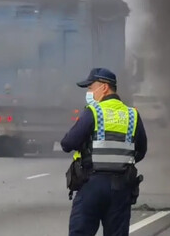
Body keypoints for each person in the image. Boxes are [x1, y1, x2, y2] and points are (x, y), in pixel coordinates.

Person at [61, 68, 147, 236]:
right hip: (121, 187)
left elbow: (67, 143)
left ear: (105, 87)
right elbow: (141, 151)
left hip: (92, 184)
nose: (89, 93)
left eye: (91, 88)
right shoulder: (132, 115)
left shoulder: (93, 112)